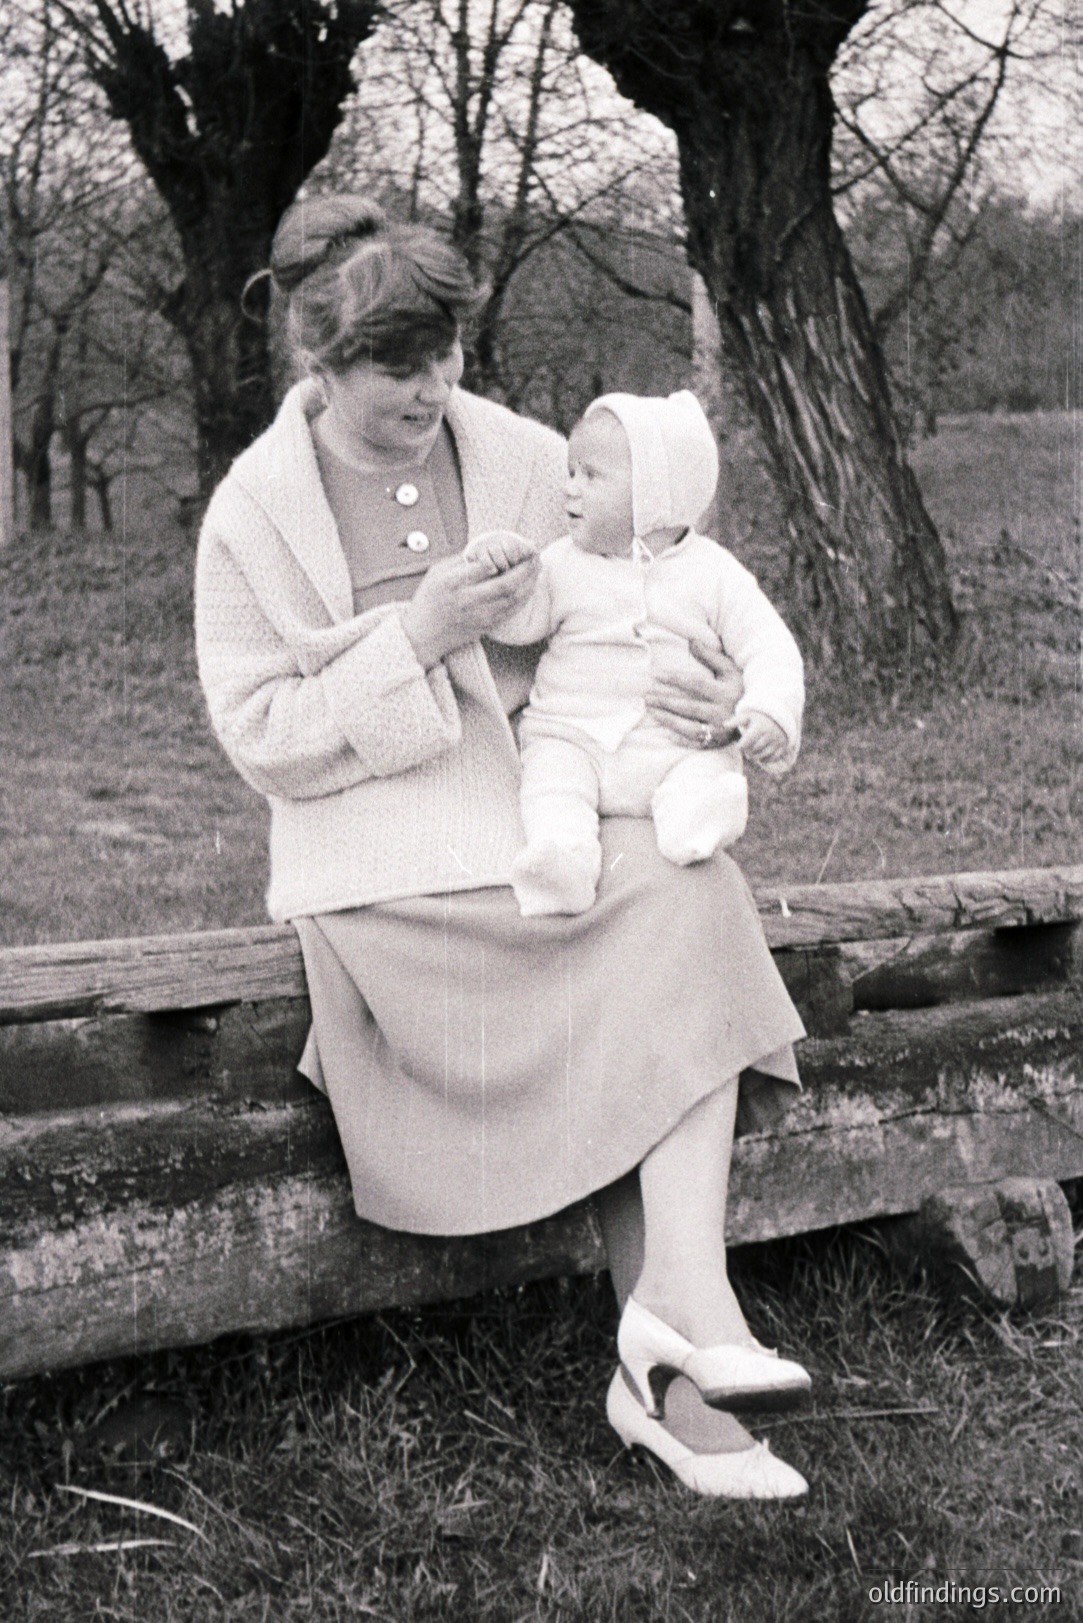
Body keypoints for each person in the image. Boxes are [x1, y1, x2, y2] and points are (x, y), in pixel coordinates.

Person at [195, 194, 811, 1500]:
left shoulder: (532, 455)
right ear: (319, 357)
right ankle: (682, 1360)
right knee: (644, 936)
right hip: (385, 877)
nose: (430, 388)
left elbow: (647, 600)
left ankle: (679, 1325)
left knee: (689, 892)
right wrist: (413, 637)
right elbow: (265, 741)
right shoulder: (250, 518)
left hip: (546, 816)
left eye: (446, 357)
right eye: (394, 366)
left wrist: (704, 694)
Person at [464, 389, 804, 917]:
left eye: (590, 476)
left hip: (669, 743)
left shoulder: (713, 573)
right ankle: (561, 861)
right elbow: (519, 624)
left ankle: (698, 817)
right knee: (551, 784)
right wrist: (495, 570)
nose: (569, 488)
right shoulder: (561, 562)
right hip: (571, 735)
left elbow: (769, 646)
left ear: (654, 494)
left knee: (703, 769)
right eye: (570, 472)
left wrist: (770, 711)